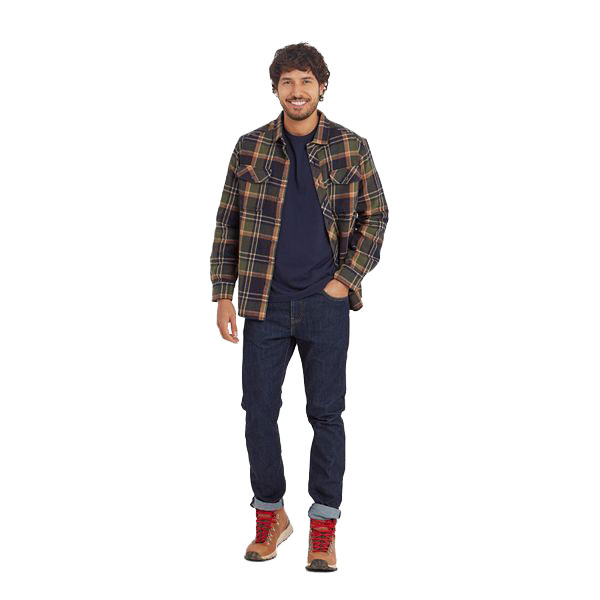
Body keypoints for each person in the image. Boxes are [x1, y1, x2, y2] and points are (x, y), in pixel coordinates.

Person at [209, 42, 389, 572]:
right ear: (275, 88)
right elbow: (227, 221)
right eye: (287, 82)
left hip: (324, 305)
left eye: (306, 81)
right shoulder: (250, 148)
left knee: (325, 414)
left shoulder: (351, 146)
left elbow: (376, 216)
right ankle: (270, 516)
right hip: (263, 302)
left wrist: (345, 280)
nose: (297, 91)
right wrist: (223, 292)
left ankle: (323, 527)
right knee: (258, 412)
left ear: (322, 87)